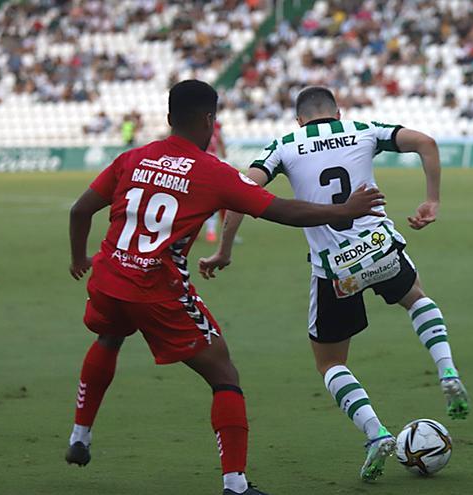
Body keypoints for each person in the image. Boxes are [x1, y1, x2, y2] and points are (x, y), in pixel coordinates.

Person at [66, 80, 385, 495]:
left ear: (168, 118)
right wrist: (343, 209)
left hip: (109, 279)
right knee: (223, 373)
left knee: (110, 336)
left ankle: (79, 437)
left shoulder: (132, 157)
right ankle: (235, 485)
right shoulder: (211, 172)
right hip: (157, 289)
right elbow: (281, 210)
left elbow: (80, 210)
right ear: (209, 121)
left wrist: (78, 259)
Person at [199, 86, 470, 482]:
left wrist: (224, 250)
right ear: (337, 112)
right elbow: (425, 142)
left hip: (335, 270)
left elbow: (243, 192)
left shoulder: (285, 144)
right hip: (380, 248)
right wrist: (432, 200)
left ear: (299, 119)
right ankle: (447, 372)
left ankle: (376, 432)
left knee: (330, 362)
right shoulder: (362, 129)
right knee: (416, 299)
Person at [204, 119, 229, 243]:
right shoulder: (201, 123)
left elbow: (219, 140)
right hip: (203, 163)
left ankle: (211, 231)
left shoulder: (216, 125)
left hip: (211, 163)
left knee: (211, 199)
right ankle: (211, 231)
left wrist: (223, 152)